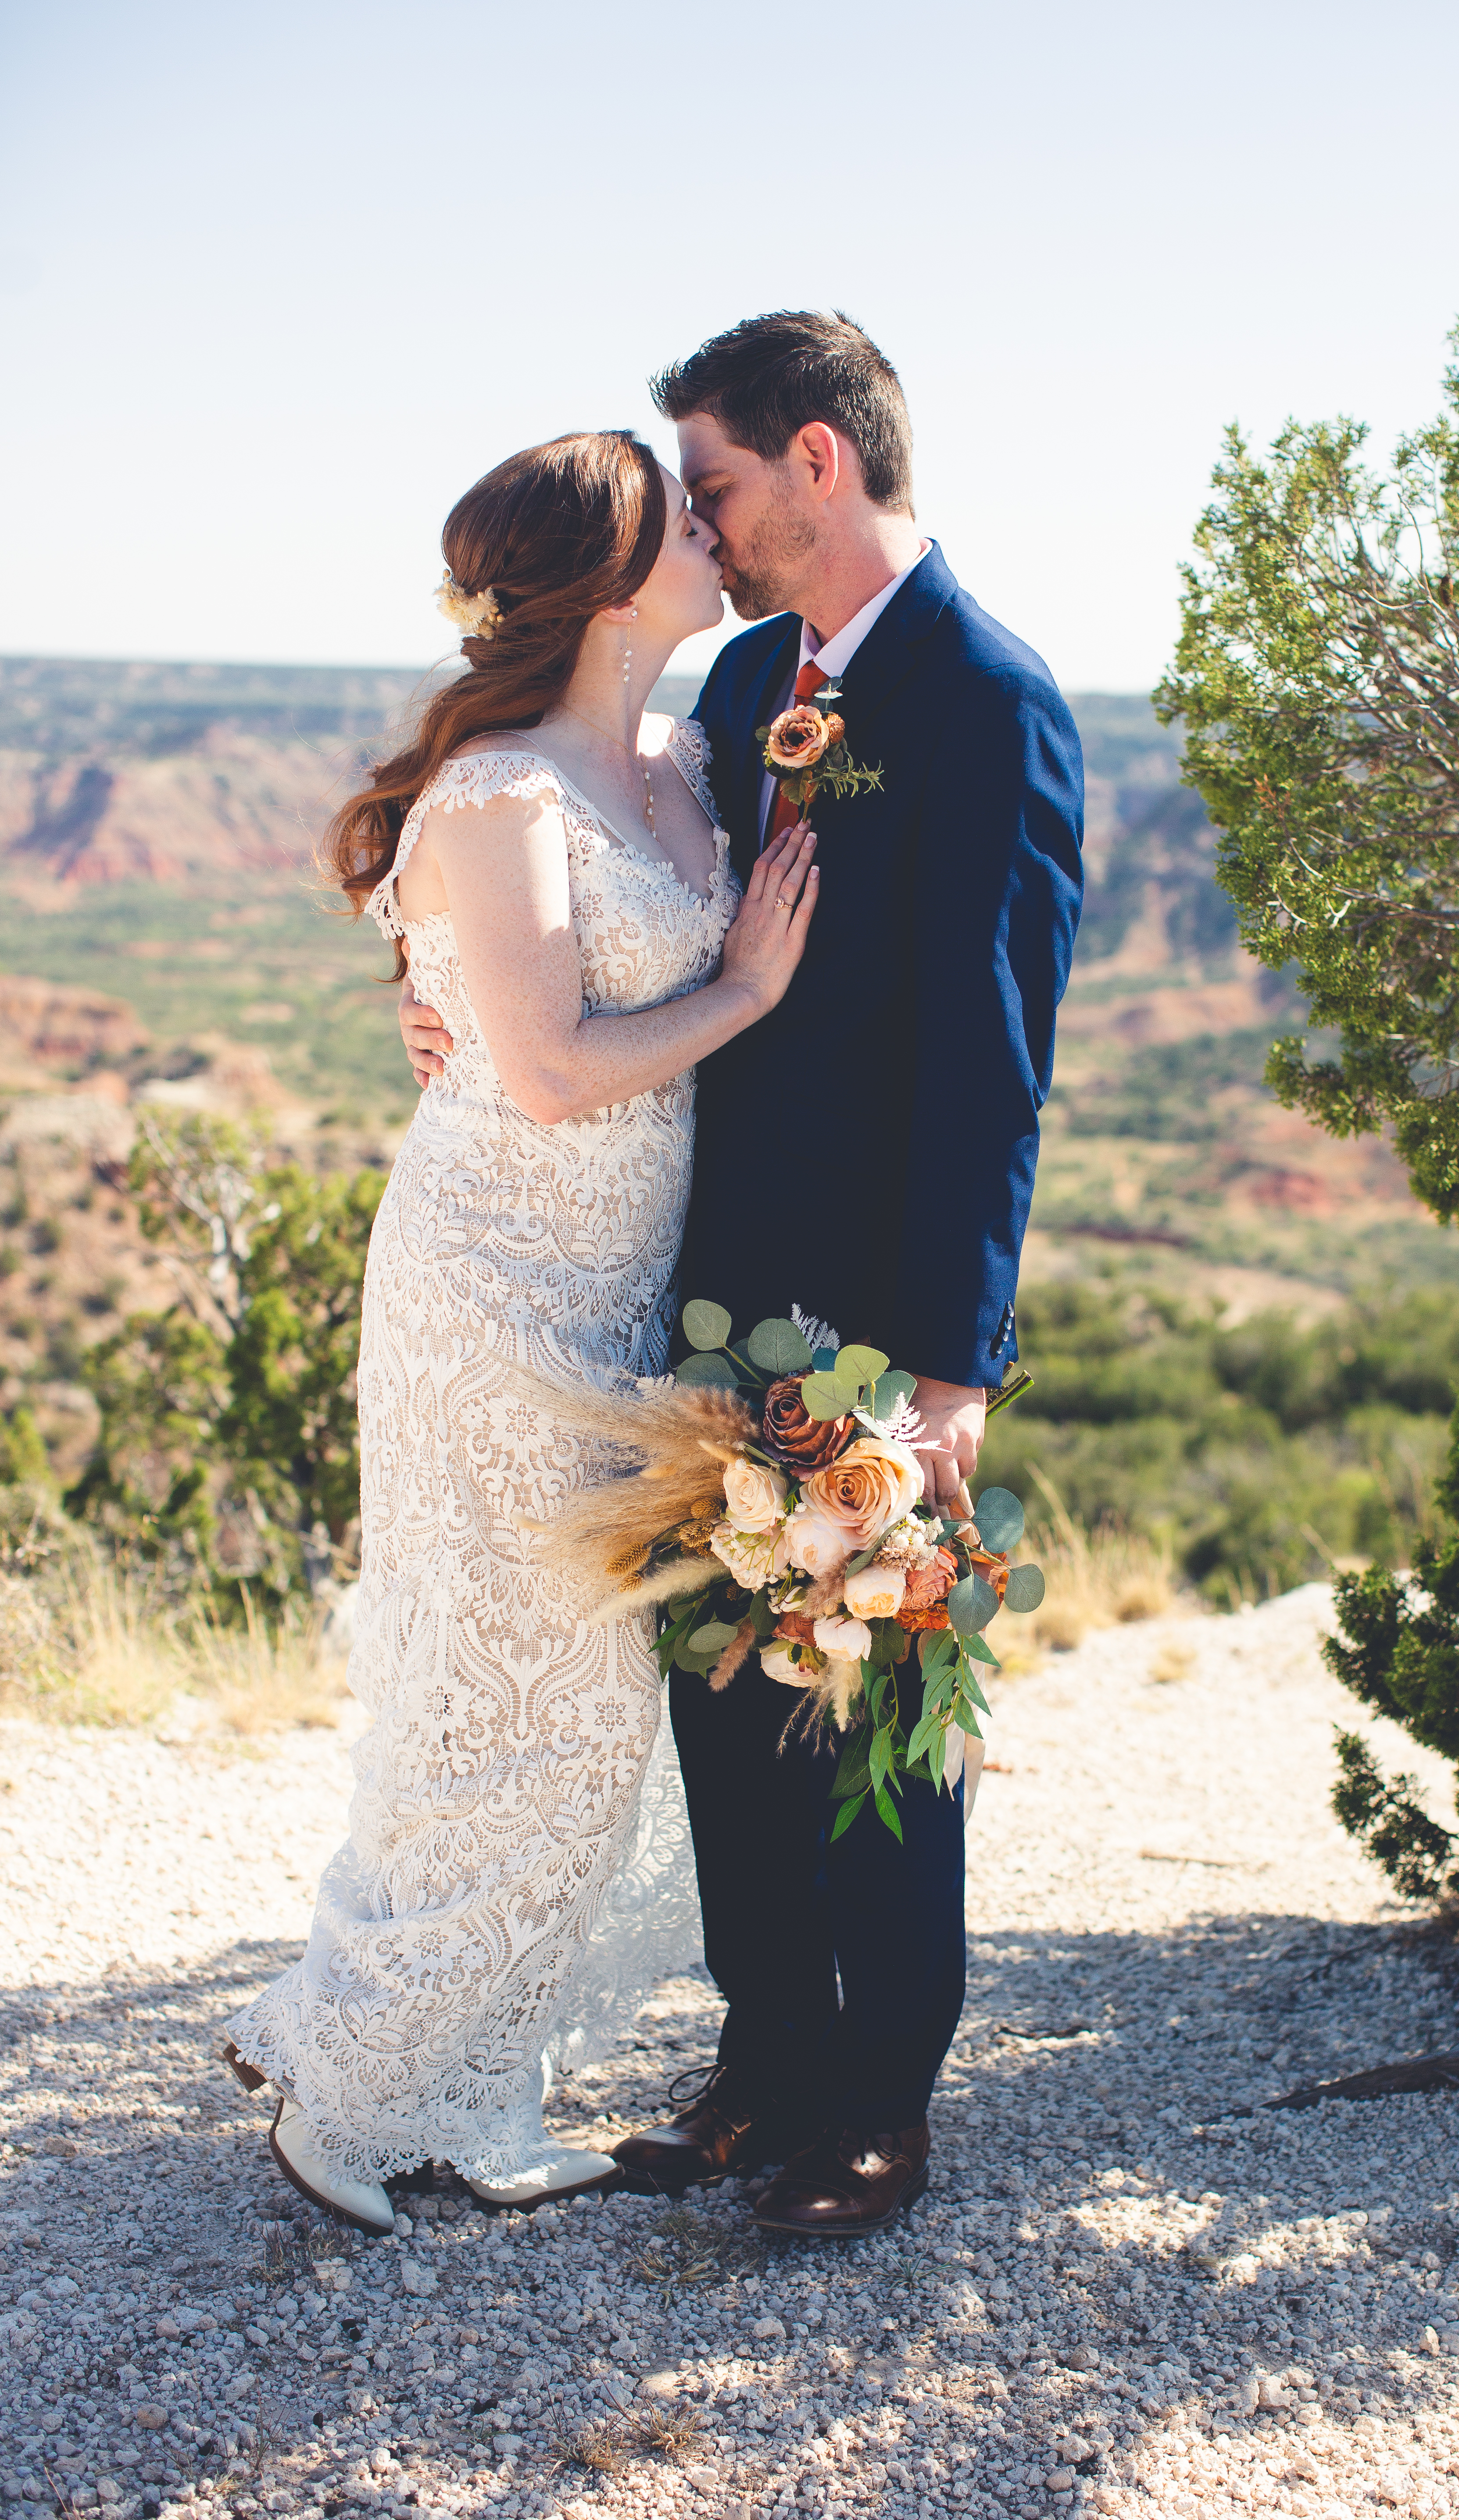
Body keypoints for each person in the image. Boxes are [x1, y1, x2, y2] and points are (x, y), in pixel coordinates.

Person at [401, 313, 1084, 2238]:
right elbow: (575, 861)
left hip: (877, 1312)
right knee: (722, 1687)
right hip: (694, 1291)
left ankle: (884, 2105)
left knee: (875, 1696)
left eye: (708, 486)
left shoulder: (989, 696)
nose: (695, 525)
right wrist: (442, 987)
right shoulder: (742, 683)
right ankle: (767, 2054)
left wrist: (952, 1365)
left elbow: (990, 1054)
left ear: (815, 462)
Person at [222, 430, 817, 2236]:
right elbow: (549, 1071)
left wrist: (437, 994)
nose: (720, 543)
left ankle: (471, 2082)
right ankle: (349, 2107)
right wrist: (744, 990)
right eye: (688, 527)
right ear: (619, 580)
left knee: (580, 1710)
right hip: (490, 1293)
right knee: (499, 1697)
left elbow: (477, 995)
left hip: (620, 1293)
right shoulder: (500, 795)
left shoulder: (675, 758)